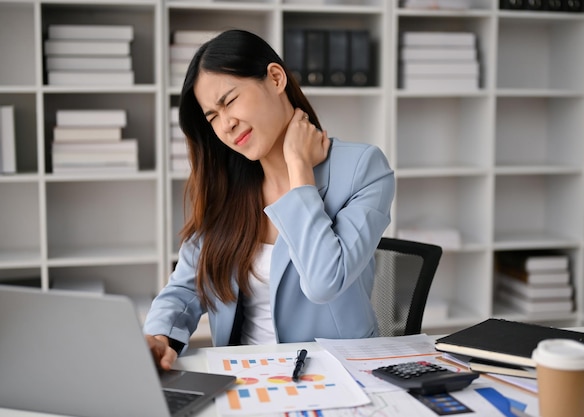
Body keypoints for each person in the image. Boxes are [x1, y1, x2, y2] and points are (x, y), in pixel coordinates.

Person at [143, 29, 395, 370]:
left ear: (275, 78)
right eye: (212, 118)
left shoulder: (362, 168)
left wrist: (298, 169)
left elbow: (324, 282)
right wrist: (160, 338)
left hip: (337, 375)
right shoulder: (228, 185)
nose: (226, 125)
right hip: (244, 379)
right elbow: (187, 286)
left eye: (229, 101)